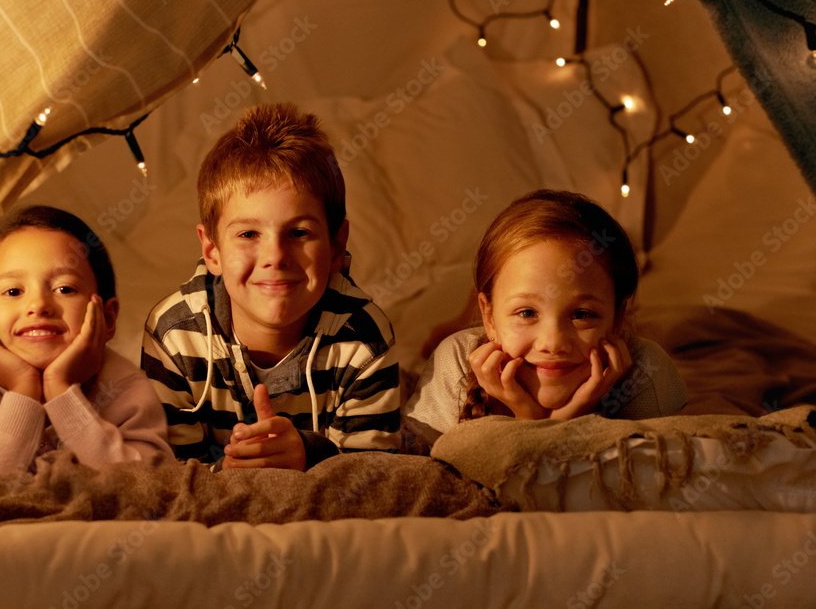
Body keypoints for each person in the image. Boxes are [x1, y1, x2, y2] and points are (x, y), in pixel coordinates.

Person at [141, 102, 401, 470]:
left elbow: (377, 479)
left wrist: (308, 456)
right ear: (211, 250)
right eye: (248, 234)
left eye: (299, 233)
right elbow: (165, 479)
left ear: (337, 246)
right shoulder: (174, 335)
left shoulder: (364, 338)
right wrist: (231, 475)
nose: (275, 256)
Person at [403, 189, 688, 447]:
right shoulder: (456, 362)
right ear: (489, 318)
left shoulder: (645, 373)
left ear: (616, 319)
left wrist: (550, 425)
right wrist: (534, 421)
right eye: (527, 313)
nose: (553, 343)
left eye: (581, 315)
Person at [0, 205, 174, 475]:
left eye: (64, 289)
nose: (39, 305)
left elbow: (149, 487)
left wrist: (61, 391)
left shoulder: (124, 385)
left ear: (107, 317)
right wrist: (22, 391)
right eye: (13, 291)